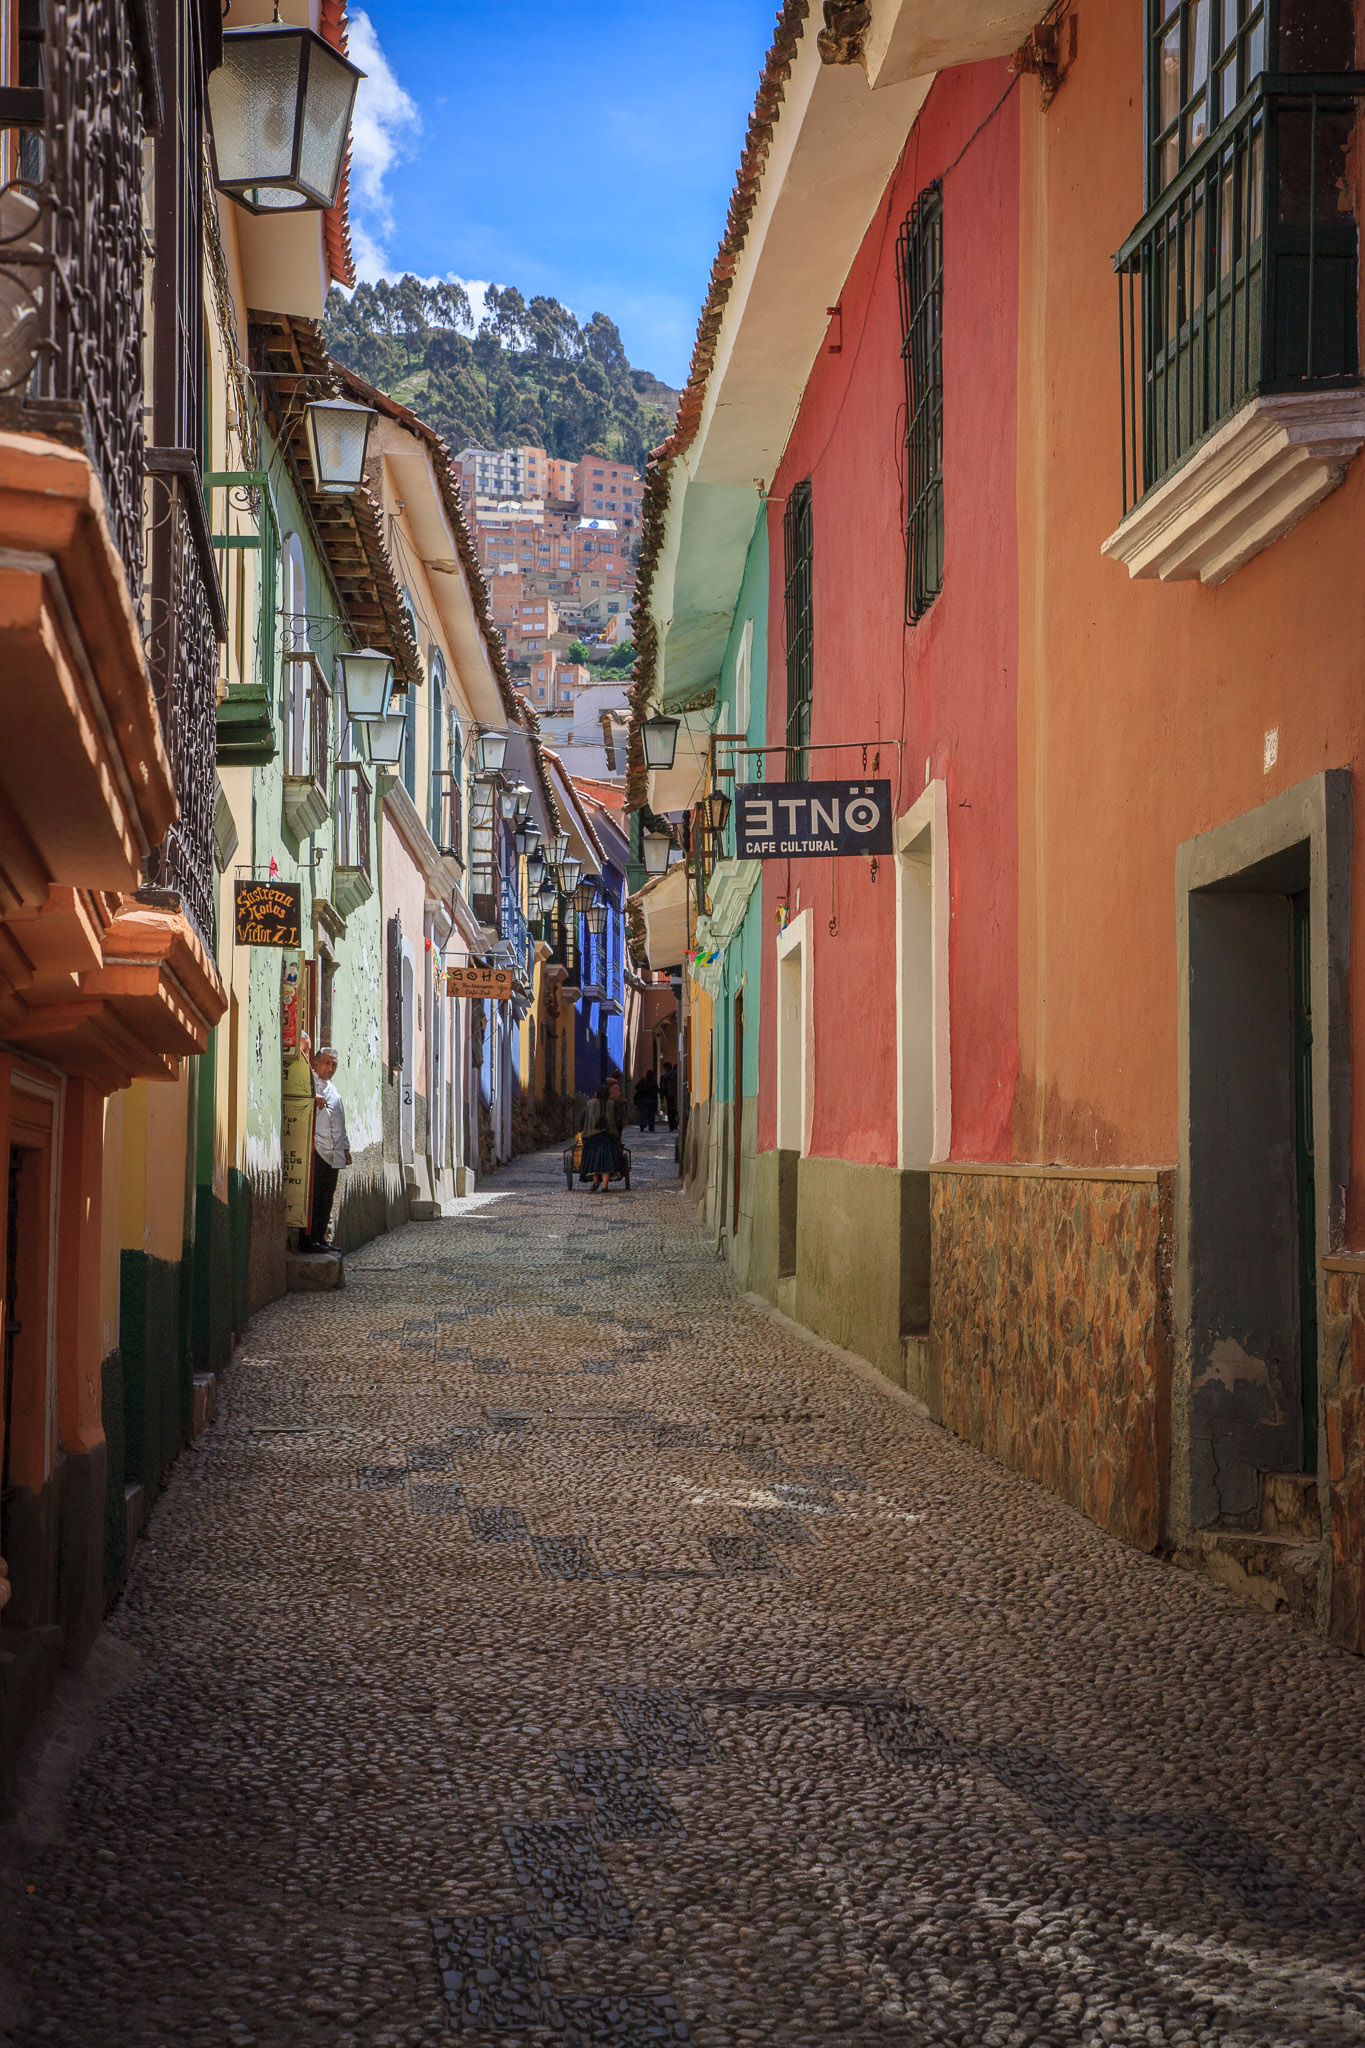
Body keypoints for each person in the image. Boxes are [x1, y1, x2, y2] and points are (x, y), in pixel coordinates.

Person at [299, 1033, 351, 1253]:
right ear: (316, 1063)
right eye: (327, 1063)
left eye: (334, 1064)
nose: (330, 1068)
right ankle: (308, 1238)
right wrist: (312, 1099)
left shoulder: (333, 1090)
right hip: (317, 1149)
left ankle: (320, 1237)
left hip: (334, 1151)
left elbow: (340, 1120)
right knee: (314, 1195)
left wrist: (345, 1148)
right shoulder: (308, 1081)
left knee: (327, 1196)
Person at [578, 1078, 627, 1192]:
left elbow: (584, 1119)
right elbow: (616, 1121)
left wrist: (584, 1132)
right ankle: (605, 1186)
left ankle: (595, 1181)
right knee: (606, 1161)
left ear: (596, 1093)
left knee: (594, 1159)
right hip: (608, 1136)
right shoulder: (611, 1104)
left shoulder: (590, 1103)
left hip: (592, 1137)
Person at [635, 1067, 659, 1133]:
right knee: (651, 1115)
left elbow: (636, 1088)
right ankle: (651, 1127)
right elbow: (656, 1091)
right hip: (651, 1101)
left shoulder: (642, 1081)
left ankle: (642, 1125)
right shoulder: (653, 1083)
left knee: (643, 1113)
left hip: (643, 1100)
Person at [659, 1060, 679, 1133]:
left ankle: (672, 1125)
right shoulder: (676, 1074)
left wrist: (661, 1096)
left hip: (669, 1096)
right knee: (676, 1110)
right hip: (676, 1094)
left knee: (670, 1111)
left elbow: (662, 1087)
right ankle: (675, 1124)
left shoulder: (664, 1076)